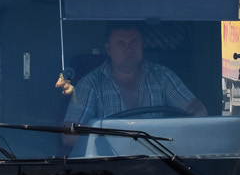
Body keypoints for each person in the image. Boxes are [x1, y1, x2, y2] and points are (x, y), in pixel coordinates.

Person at [61, 23, 207, 128]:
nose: (128, 49)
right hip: (108, 164)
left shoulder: (162, 76)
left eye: (133, 43)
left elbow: (193, 106)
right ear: (108, 49)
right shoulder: (90, 84)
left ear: (141, 45)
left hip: (160, 162)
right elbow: (69, 133)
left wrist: (198, 114)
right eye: (121, 44)